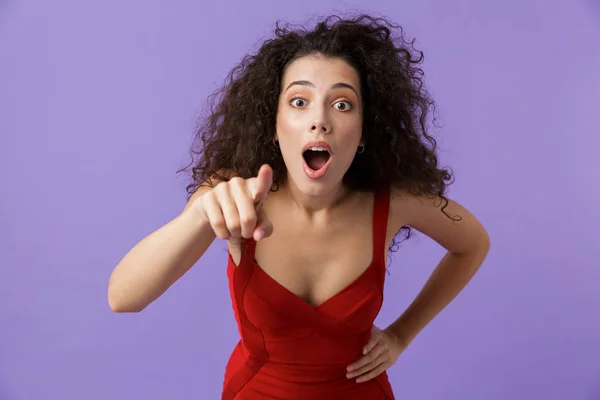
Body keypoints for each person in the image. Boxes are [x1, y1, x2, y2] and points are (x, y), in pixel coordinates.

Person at [108, 14, 491, 400]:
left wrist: (400, 335)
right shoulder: (231, 192)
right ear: (274, 124)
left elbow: (473, 243)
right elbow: (123, 297)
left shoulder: (393, 202)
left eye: (342, 104)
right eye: (298, 101)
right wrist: (199, 215)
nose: (319, 121)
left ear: (363, 131)